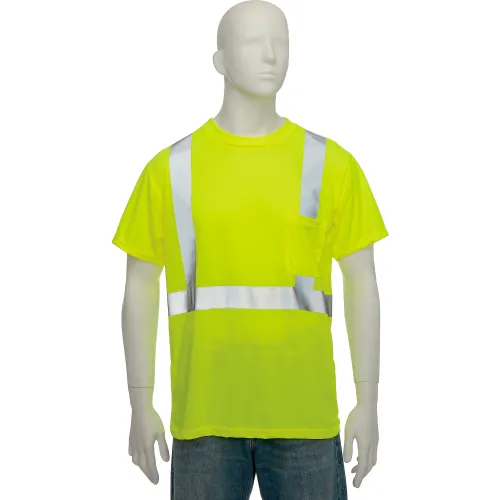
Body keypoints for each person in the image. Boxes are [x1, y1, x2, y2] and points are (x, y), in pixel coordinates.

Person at [112, 1, 389, 498]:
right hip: (205, 418)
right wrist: (139, 402)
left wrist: (367, 401)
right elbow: (139, 284)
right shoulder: (170, 169)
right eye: (252, 42)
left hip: (304, 416)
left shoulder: (331, 164)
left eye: (281, 42)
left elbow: (362, 280)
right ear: (219, 61)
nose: (270, 55)